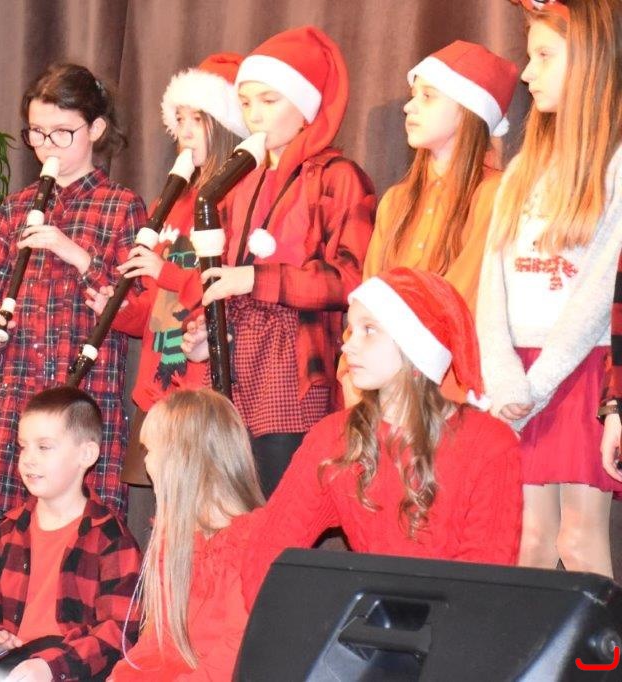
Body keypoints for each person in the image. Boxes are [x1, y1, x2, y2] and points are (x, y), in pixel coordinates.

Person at [244, 269, 523, 603]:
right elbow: (266, 558)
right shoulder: (334, 439)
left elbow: (484, 587)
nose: (348, 343)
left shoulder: (489, 445)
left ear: (415, 348)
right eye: (351, 329)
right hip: (366, 624)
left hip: (453, 628)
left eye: (369, 330)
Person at [182, 26, 376, 496]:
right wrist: (206, 329)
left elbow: (351, 280)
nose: (255, 115)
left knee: (279, 504)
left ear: (306, 107)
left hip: (293, 367)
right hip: (233, 364)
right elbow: (220, 275)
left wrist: (254, 279)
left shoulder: (336, 176)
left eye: (270, 100)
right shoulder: (239, 182)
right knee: (226, 508)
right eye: (246, 102)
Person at [0, 63, 146, 528]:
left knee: (79, 544)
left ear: (95, 129)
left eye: (62, 133)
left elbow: (137, 307)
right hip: (13, 400)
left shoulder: (122, 206)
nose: (47, 146)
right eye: (37, 133)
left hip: (80, 400)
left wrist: (76, 254)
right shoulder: (15, 209)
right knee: (6, 545)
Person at [477, 0, 622, 578]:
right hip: (521, 372)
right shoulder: (522, 169)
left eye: (544, 56)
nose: (527, 73)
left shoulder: (614, 164)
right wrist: (503, 371)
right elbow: (492, 281)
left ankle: (599, 641)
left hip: (578, 368)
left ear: (589, 61)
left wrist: (538, 383)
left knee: (578, 538)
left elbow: (602, 288)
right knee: (530, 538)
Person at [84, 52, 247, 545]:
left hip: (200, 387)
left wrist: (167, 272)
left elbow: (222, 288)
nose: (185, 132)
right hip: (159, 386)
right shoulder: (169, 202)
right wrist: (117, 310)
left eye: (197, 119)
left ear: (224, 124)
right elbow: (156, 309)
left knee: (207, 515)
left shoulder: (236, 199)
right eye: (179, 120)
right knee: (167, 518)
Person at [0, 387, 142, 682]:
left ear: (86, 454)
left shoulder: (112, 539)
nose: (28, 459)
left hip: (72, 672)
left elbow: (119, 632)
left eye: (44, 447)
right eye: (23, 447)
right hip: (10, 668)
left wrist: (51, 666)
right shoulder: (6, 532)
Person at [109, 389, 264, 681]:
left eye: (150, 450)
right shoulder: (176, 540)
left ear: (183, 460)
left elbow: (237, 654)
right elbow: (158, 642)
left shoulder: (253, 543)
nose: (146, 464)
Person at [363, 40, 518, 310]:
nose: (409, 107)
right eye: (413, 95)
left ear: (468, 110)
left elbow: (464, 297)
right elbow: (369, 296)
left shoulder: (495, 194)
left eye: (428, 96)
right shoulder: (396, 201)